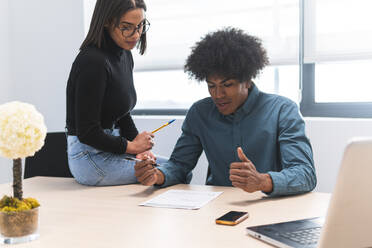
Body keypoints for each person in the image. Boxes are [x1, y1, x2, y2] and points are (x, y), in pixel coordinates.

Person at [134, 27, 317, 196]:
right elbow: (180, 165)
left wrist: (262, 181)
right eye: (211, 86)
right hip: (216, 207)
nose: (218, 95)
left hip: (269, 205)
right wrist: (157, 175)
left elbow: (305, 174)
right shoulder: (200, 113)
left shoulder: (282, 110)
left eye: (227, 85)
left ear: (247, 80)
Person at [66, 0, 165, 186]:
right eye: (127, 27)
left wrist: (138, 149)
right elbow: (87, 132)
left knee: (174, 170)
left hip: (111, 149)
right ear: (106, 21)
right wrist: (132, 146)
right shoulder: (92, 62)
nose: (135, 35)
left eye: (140, 26)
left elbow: (121, 113)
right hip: (88, 157)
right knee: (167, 172)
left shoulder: (124, 55)